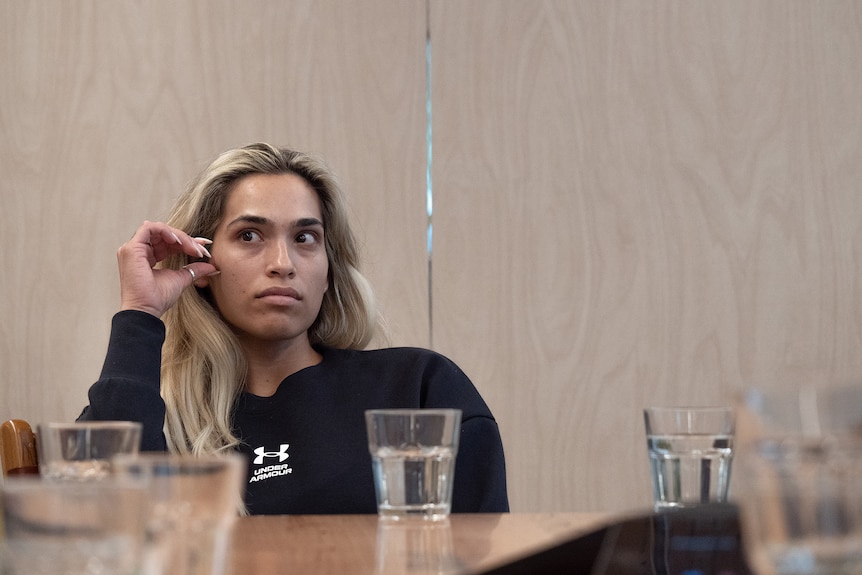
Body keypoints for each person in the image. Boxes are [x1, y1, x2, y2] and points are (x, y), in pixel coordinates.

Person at [78, 143, 509, 515]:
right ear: (202, 262)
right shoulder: (157, 411)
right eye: (249, 235)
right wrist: (139, 313)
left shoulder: (419, 389)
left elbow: (484, 556)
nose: (282, 263)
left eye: (305, 238)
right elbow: (106, 537)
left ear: (328, 269)